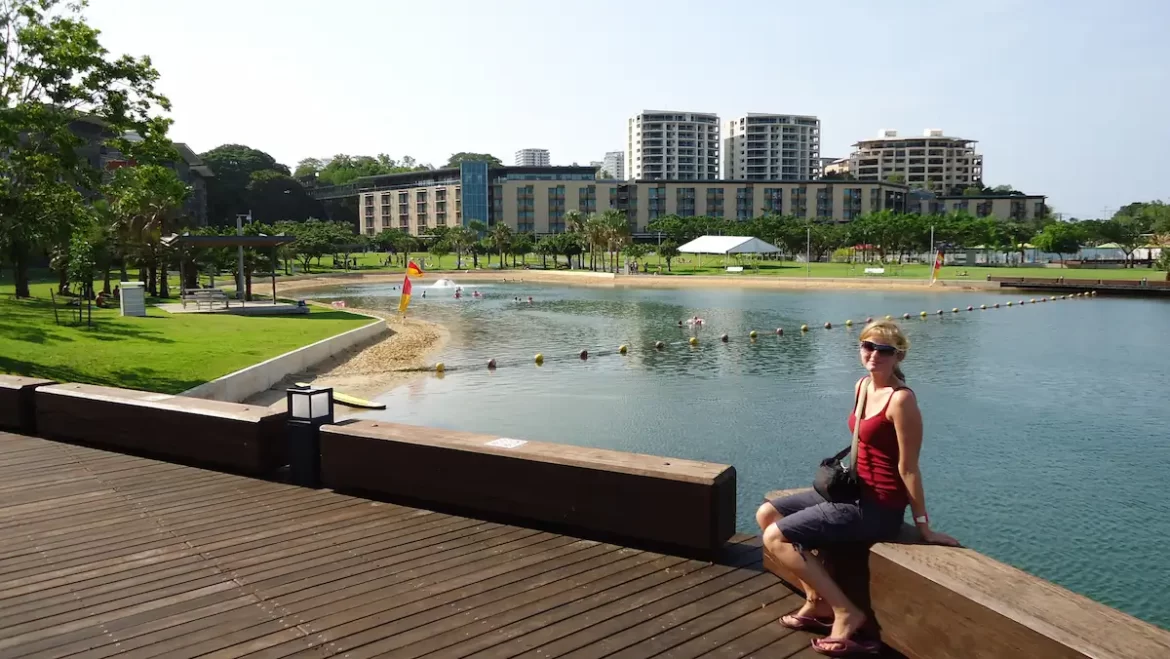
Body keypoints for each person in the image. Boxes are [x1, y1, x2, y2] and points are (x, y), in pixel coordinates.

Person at [757, 319, 959, 656]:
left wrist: (924, 528)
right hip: (851, 493)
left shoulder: (901, 401)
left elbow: (908, 468)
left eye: (884, 350)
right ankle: (817, 600)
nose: (874, 354)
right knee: (767, 514)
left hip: (878, 507)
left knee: (775, 537)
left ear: (899, 356)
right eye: (868, 346)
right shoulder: (862, 386)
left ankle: (845, 610)